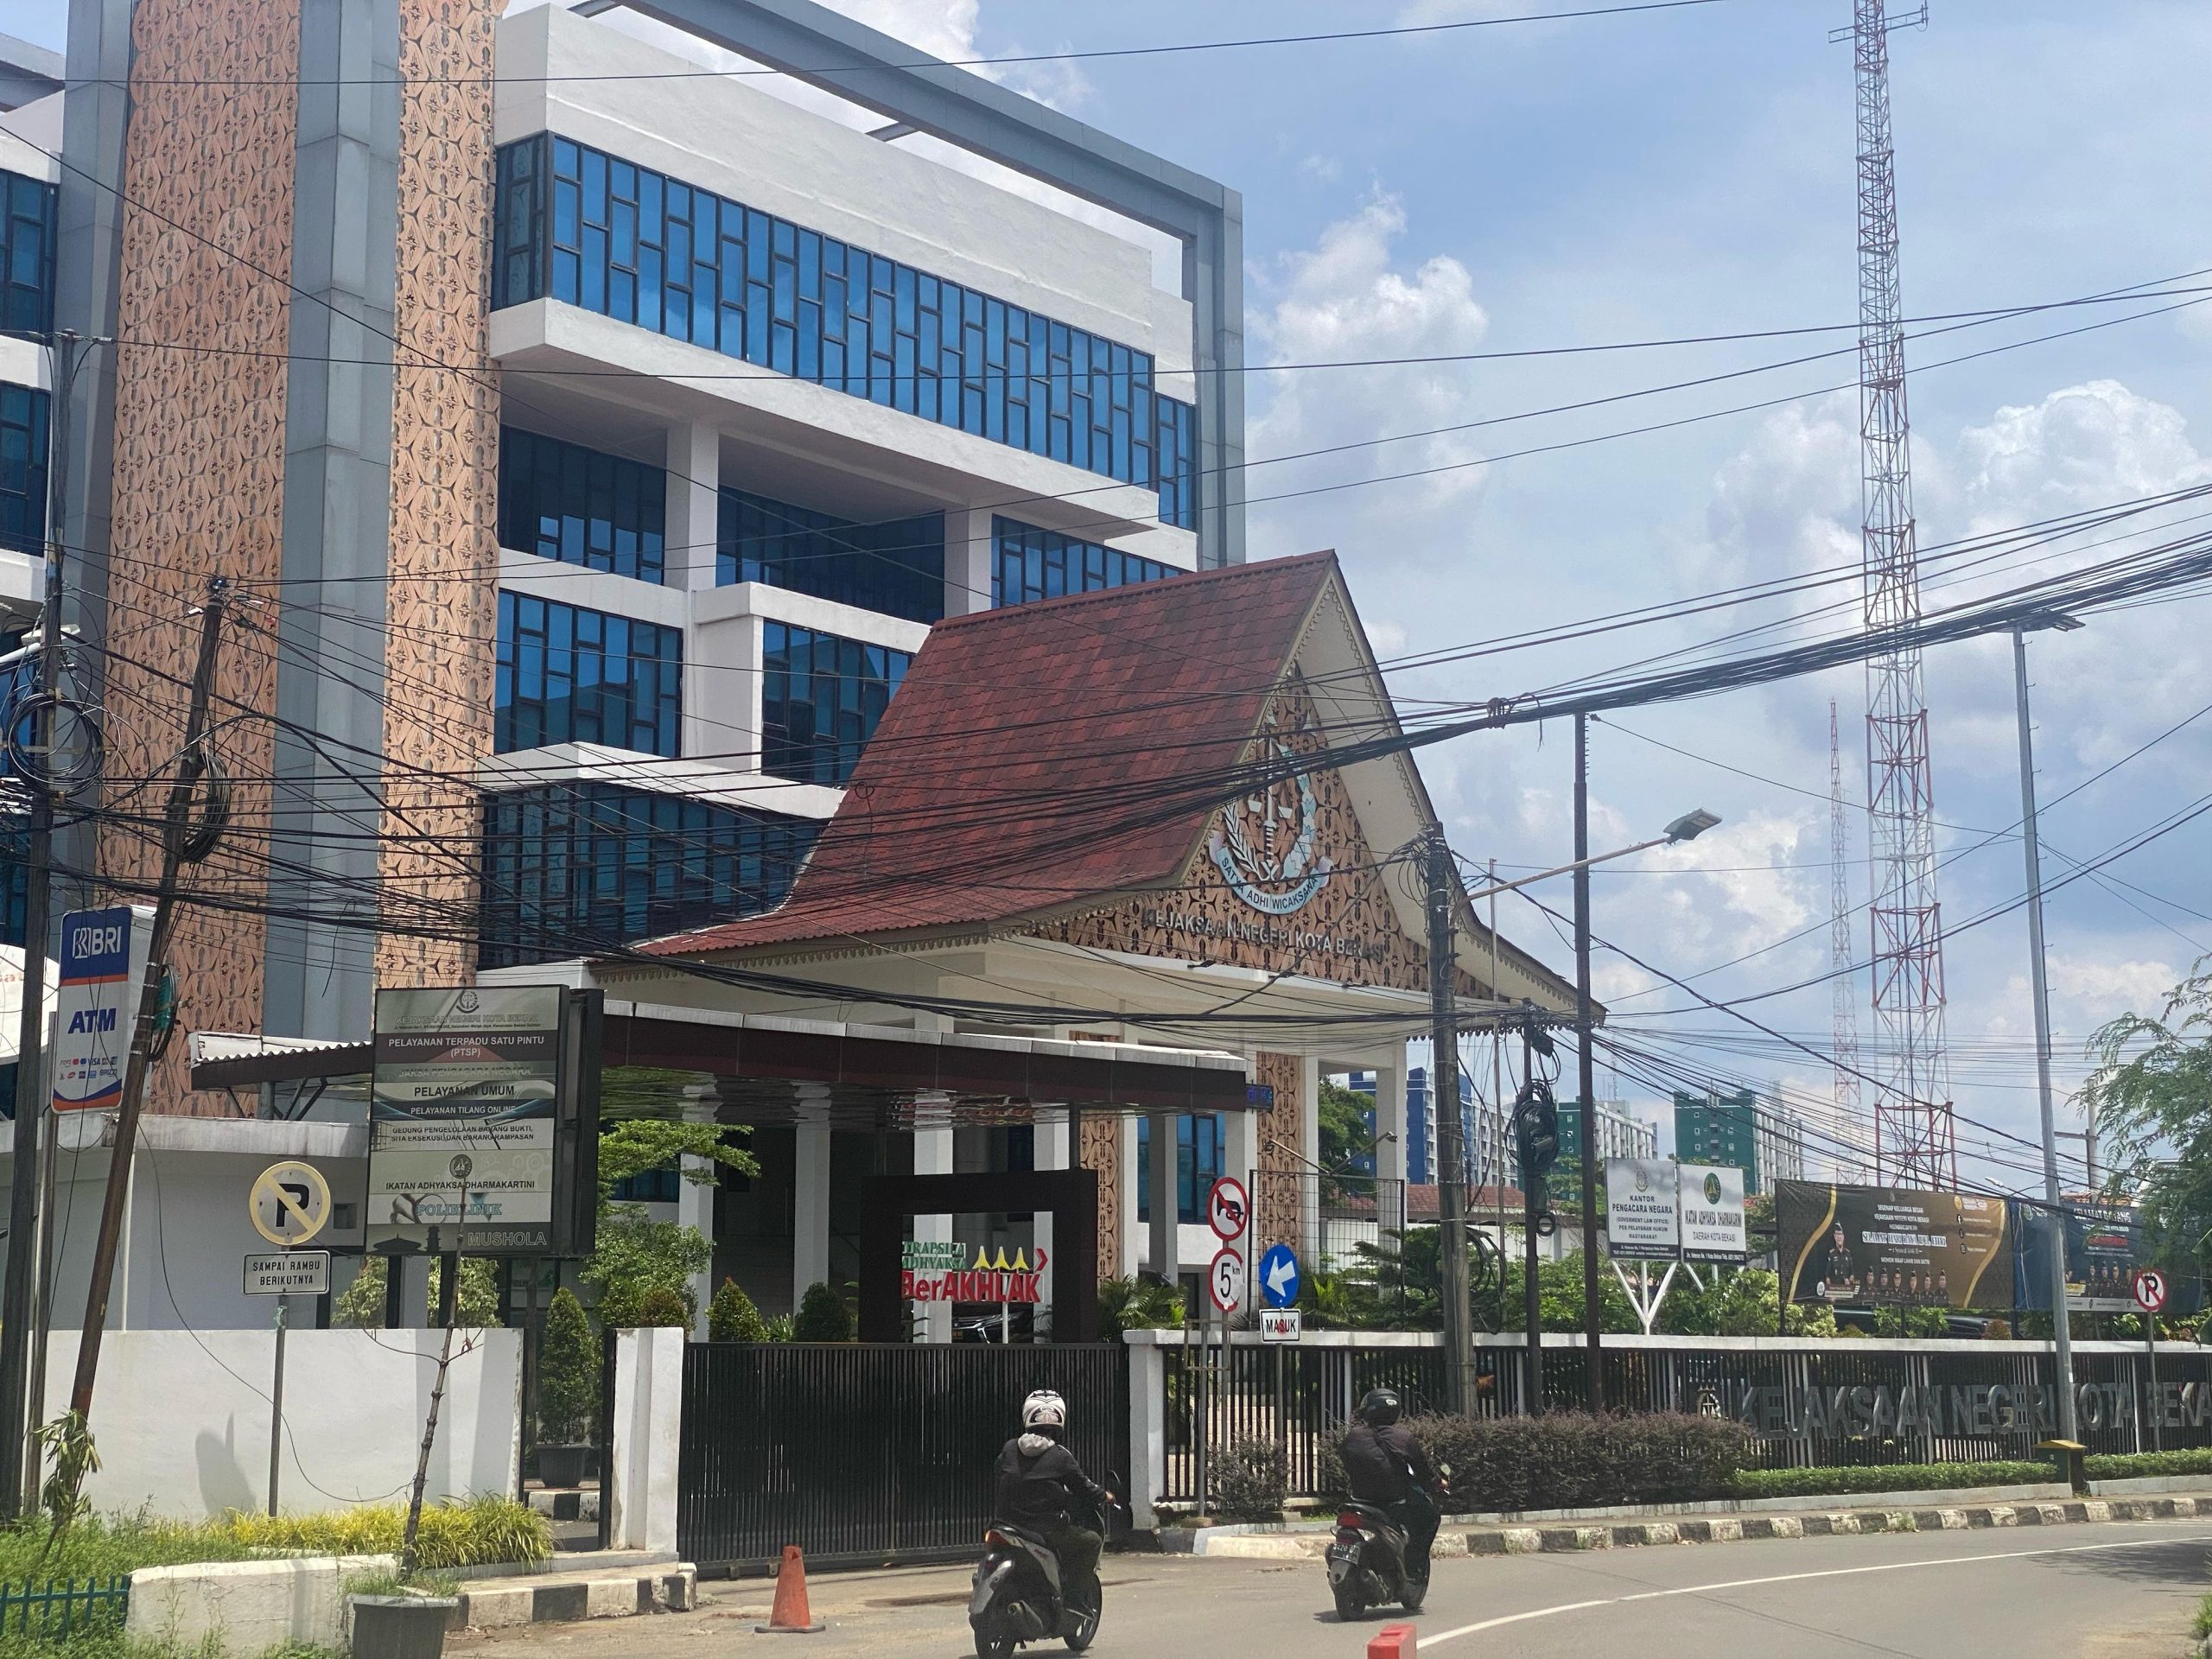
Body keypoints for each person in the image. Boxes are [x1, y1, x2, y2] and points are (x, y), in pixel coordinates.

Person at [993, 1389, 1111, 1624]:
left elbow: (999, 1473)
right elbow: (1084, 1487)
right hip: (1045, 1530)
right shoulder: (1060, 1456)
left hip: (1006, 1525)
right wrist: (1105, 1496)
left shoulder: (1009, 1448)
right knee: (1091, 1541)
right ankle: (1074, 1600)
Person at [1339, 1387, 1440, 1597]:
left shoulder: (1353, 1437)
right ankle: (1413, 1567)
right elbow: (1423, 1472)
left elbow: (1346, 1461)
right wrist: (1435, 1484)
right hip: (1393, 1504)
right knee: (1430, 1517)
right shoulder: (1404, 1438)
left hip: (1360, 1501)